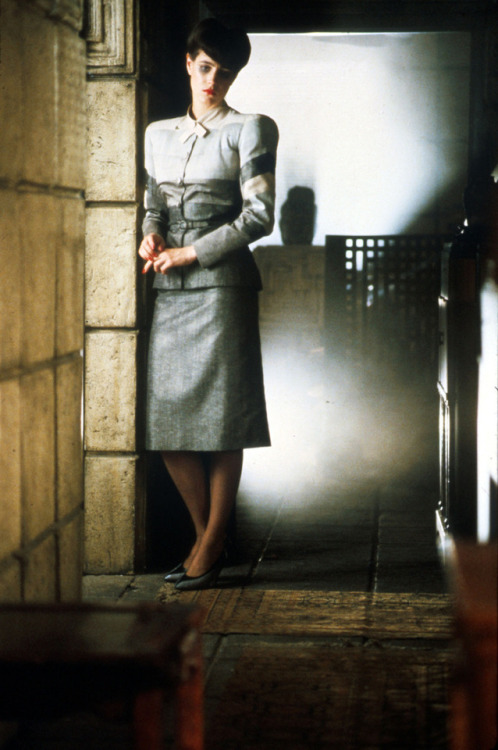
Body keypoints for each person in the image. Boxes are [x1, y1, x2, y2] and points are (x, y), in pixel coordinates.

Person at [138, 19, 278, 590]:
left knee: (222, 423)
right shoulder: (156, 133)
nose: (212, 80)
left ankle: (209, 544)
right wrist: (150, 236)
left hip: (220, 286)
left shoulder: (250, 129)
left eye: (225, 71)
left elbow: (259, 216)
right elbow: (151, 205)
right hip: (168, 288)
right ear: (188, 62)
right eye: (204, 67)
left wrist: (191, 254)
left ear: (235, 74)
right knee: (167, 423)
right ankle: (207, 540)